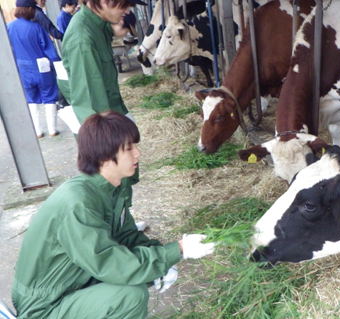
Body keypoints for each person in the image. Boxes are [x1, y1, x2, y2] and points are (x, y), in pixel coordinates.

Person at [11, 111, 216, 319]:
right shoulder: (78, 203)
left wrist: (162, 263)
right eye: (129, 148)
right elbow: (109, 263)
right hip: (45, 305)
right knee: (129, 296)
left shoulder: (108, 190)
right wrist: (176, 250)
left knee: (138, 278)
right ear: (104, 156)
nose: (138, 154)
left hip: (74, 284)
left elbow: (126, 238)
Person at [57, 0, 145, 125]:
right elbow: (90, 106)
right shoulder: (83, 39)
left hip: (111, 117)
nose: (127, 11)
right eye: (124, 4)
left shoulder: (99, 27)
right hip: (102, 130)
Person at [7, 0, 61, 138]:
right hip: (42, 69)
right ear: (30, 9)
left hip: (23, 70)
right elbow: (49, 50)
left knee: (31, 100)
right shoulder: (36, 28)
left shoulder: (9, 27)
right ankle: (52, 130)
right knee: (49, 97)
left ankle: (37, 132)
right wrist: (58, 64)